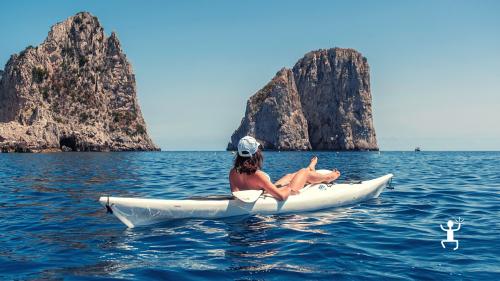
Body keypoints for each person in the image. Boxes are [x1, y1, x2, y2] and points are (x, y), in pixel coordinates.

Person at [229, 136, 341, 201]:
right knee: (304, 172)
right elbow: (282, 197)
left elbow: (236, 194)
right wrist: (288, 188)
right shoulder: (258, 175)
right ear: (256, 154)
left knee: (288, 176)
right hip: (278, 192)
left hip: (264, 191)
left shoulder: (233, 173)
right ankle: (328, 176)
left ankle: (311, 167)